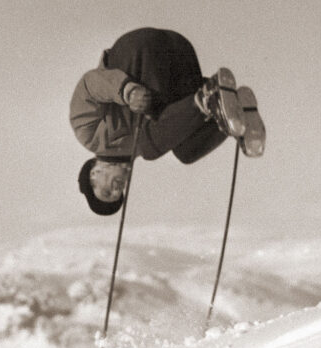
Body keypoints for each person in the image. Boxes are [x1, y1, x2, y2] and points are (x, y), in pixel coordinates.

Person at [70, 27, 264, 215]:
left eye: (106, 192)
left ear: (93, 175)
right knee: (185, 153)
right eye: (118, 194)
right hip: (180, 55)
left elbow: (89, 84)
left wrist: (127, 91)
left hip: (139, 53)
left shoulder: (87, 135)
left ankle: (207, 100)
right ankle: (233, 116)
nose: (116, 190)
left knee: (149, 146)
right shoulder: (135, 149)